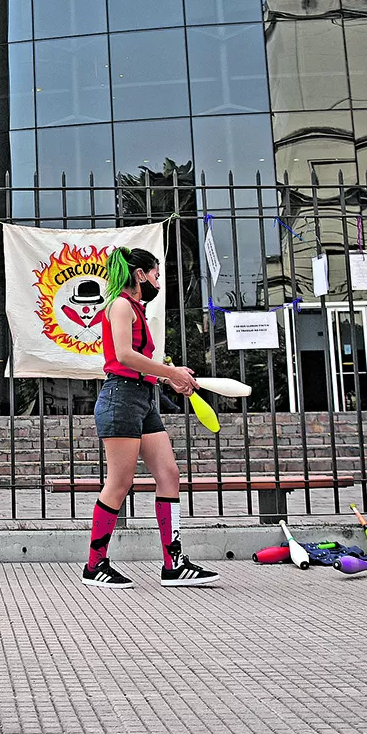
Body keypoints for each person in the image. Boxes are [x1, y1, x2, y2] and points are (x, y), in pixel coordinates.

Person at [81, 246, 220, 590]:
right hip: (120, 400)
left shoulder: (136, 309)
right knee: (120, 482)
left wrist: (167, 379)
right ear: (140, 274)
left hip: (143, 399)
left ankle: (174, 564)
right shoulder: (119, 306)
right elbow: (125, 356)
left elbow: (139, 365)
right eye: (156, 274)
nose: (159, 281)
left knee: (169, 474)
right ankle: (95, 564)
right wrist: (171, 370)